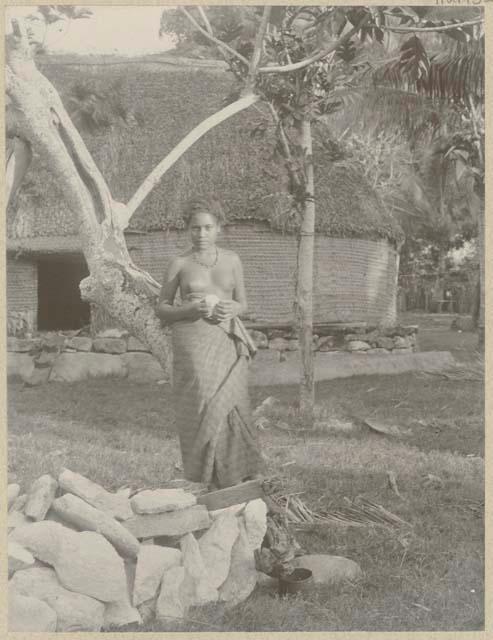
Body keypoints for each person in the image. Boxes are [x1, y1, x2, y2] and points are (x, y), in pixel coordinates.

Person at [157, 198, 265, 489]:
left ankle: (239, 475)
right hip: (193, 341)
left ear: (219, 229)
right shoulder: (179, 264)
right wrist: (190, 310)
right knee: (203, 402)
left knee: (235, 403)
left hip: (227, 338)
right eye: (195, 228)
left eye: (207, 228)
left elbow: (243, 303)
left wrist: (233, 309)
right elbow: (162, 308)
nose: (201, 234)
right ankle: (205, 476)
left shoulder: (232, 260)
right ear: (188, 230)